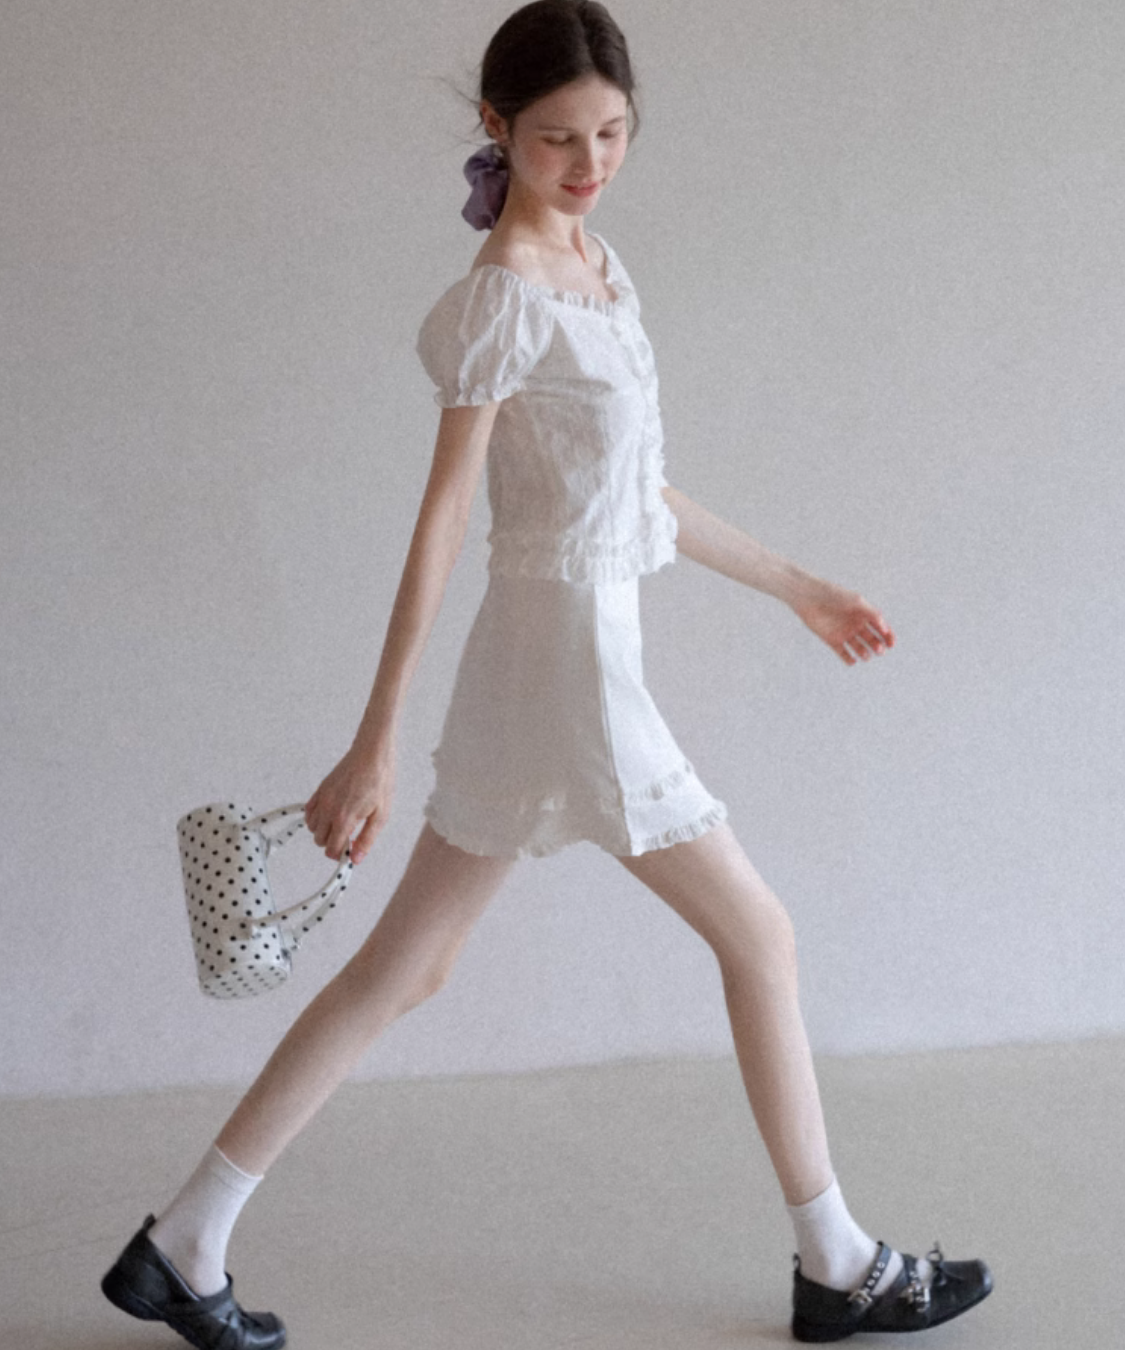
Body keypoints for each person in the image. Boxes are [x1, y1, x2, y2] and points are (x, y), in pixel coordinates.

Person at [101, 3, 992, 1345]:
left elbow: (633, 492)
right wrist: (374, 737)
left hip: (547, 662)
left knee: (407, 969)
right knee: (758, 934)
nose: (590, 164)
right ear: (497, 127)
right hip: (571, 669)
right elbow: (444, 519)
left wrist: (798, 585)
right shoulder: (506, 297)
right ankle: (838, 1261)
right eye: (561, 138)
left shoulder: (597, 269)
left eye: (613, 134)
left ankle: (185, 1238)